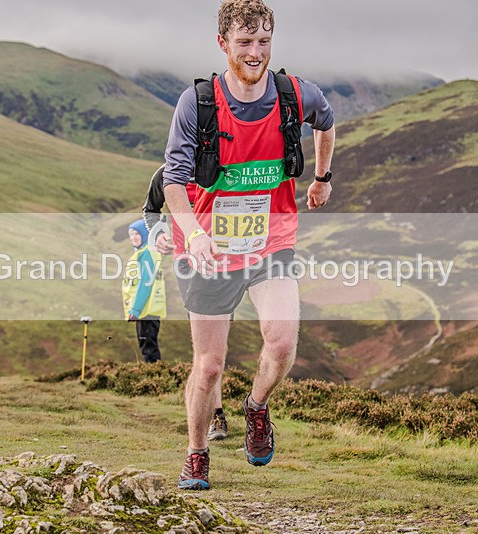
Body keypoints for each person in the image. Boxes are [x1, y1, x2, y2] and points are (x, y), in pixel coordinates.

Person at [163, 0, 335, 490]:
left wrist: (322, 177)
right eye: (244, 42)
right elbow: (175, 180)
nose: (255, 52)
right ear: (223, 44)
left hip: (270, 242)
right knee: (210, 364)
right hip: (207, 249)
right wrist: (194, 234)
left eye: (263, 41)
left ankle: (256, 407)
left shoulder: (296, 95)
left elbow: (325, 121)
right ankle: (197, 454)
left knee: (281, 345)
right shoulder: (197, 103)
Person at [143, 165, 229, 441]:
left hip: (229, 264)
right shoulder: (167, 172)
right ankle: (215, 415)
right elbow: (150, 209)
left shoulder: (227, 163)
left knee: (216, 347)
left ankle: (202, 409)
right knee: (207, 349)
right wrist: (158, 234)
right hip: (188, 264)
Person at [121, 219, 167, 363]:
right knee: (148, 346)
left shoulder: (146, 253)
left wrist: (135, 309)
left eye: (137, 233)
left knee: (148, 348)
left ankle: (154, 379)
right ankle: (155, 376)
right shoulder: (145, 252)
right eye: (131, 234)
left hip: (146, 309)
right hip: (148, 309)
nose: (133, 237)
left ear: (145, 235)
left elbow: (145, 284)